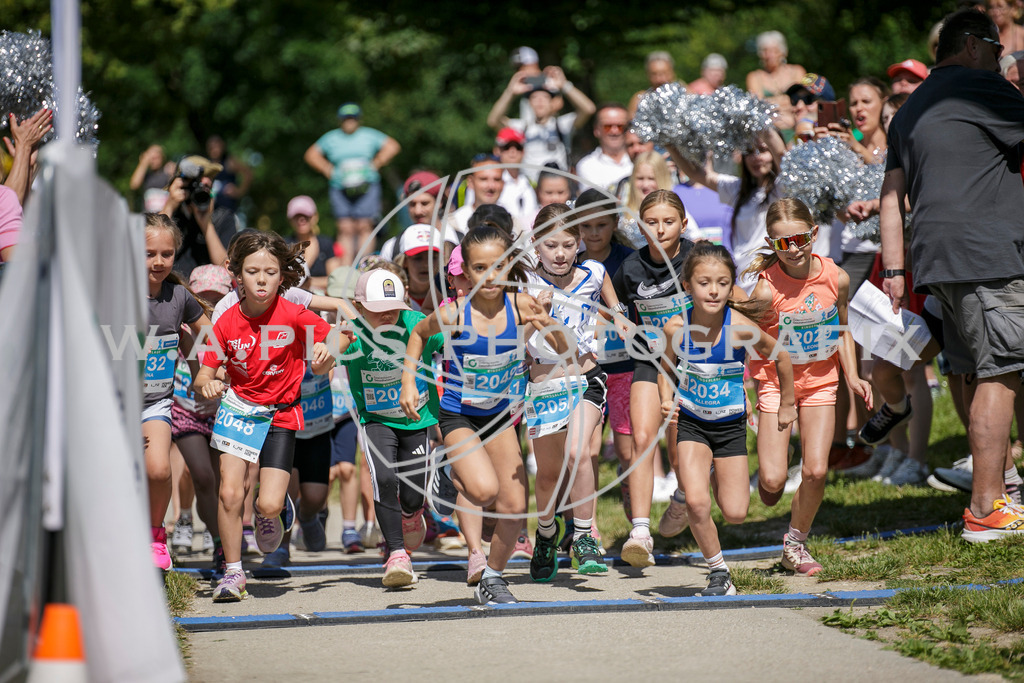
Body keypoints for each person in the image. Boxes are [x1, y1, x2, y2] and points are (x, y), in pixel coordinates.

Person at [880, 8, 1024, 542]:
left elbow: (890, 196)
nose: (1000, 58)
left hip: (936, 259)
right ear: (970, 45)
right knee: (1001, 370)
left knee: (971, 370)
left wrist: (895, 268)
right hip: (987, 253)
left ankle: (997, 491)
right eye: (995, 47)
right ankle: (987, 508)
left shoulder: (911, 107)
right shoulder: (981, 87)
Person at [400, 225, 567, 604]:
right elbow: (419, 336)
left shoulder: (522, 306)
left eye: (497, 267)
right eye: (479, 268)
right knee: (484, 490)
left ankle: (493, 577)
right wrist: (409, 382)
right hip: (458, 415)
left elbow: (559, 345)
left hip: (499, 418)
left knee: (513, 506)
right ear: (466, 273)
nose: (489, 277)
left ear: (509, 266)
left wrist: (548, 322)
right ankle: (450, 473)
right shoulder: (455, 313)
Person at [195, 231, 335, 602]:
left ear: (282, 275)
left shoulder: (294, 313)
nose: (261, 279)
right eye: (253, 271)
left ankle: (269, 511)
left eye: (270, 272)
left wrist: (326, 353)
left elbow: (336, 338)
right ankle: (233, 572)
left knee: (268, 503)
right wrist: (207, 383)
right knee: (228, 491)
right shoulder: (225, 321)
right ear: (237, 274)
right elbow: (204, 372)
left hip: (279, 415)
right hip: (238, 410)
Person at [660, 242, 796, 596]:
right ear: (687, 286)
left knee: (735, 512)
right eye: (704, 283)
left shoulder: (740, 327)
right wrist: (666, 397)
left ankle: (713, 474)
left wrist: (787, 403)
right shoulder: (677, 326)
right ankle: (718, 571)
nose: (714, 290)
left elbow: (780, 356)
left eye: (722, 282)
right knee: (696, 502)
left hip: (730, 427)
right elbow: (665, 367)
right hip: (692, 423)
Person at [747, 198, 871, 575]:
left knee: (816, 470)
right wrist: (746, 390)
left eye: (801, 239)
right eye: (783, 244)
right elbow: (745, 339)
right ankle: (767, 478)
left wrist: (852, 375)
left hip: (821, 381)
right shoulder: (766, 290)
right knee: (772, 481)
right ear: (771, 244)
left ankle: (795, 544)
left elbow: (843, 329)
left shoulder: (837, 277)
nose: (795, 250)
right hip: (774, 383)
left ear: (814, 233)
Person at [524, 203, 631, 581]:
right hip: (544, 386)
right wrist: (536, 313)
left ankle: (584, 536)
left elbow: (610, 300)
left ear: (579, 242)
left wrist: (620, 317)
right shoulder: (524, 282)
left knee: (579, 452)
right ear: (535, 245)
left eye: (568, 244)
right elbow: (516, 337)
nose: (560, 253)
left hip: (587, 379)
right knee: (549, 475)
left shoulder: (594, 272)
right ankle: (546, 532)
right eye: (550, 245)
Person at [336, 268, 444, 587]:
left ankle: (412, 514)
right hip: (376, 421)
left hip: (416, 420)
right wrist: (323, 354)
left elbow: (454, 334)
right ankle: (397, 554)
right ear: (359, 307)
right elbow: (321, 356)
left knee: (411, 496)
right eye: (379, 311)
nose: (388, 316)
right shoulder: (351, 333)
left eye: (394, 308)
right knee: (384, 479)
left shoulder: (416, 325)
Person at [612, 190, 695, 568]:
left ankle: (682, 497)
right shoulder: (630, 268)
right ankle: (640, 532)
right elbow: (607, 295)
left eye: (668, 221)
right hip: (648, 360)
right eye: (651, 222)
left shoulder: (696, 258)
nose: (659, 230)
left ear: (683, 223)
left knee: (682, 451)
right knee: (643, 440)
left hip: (695, 365)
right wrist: (616, 317)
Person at [141, 214, 212, 570]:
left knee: (158, 470)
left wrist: (207, 373)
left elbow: (209, 336)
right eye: (148, 253)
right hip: (114, 403)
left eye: (166, 254)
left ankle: (156, 536)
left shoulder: (179, 296)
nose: (158, 261)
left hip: (155, 401)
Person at [169, 264, 233, 571]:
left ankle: (222, 541)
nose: (208, 305)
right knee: (203, 476)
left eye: (215, 298)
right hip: (186, 410)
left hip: (221, 411)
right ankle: (217, 540)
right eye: (202, 298)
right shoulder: (179, 327)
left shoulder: (231, 328)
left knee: (223, 484)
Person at [668, 129, 786, 292]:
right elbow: (697, 174)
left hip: (768, 283)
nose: (756, 157)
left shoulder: (783, 188)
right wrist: (668, 143)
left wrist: (760, 123)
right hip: (739, 279)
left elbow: (782, 155)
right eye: (750, 151)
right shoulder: (738, 189)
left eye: (763, 150)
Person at [304, 103, 401, 265]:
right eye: (346, 118)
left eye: (353, 118)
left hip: (367, 185)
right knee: (345, 228)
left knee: (364, 225)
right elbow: (311, 154)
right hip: (340, 187)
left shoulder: (369, 135)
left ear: (358, 120)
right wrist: (327, 169)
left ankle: (362, 266)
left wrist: (377, 162)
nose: (350, 122)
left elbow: (393, 146)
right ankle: (346, 269)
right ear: (340, 120)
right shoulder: (331, 138)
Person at [487, 67, 596, 179]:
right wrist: (510, 92)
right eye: (534, 97)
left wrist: (564, 85)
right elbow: (493, 121)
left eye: (544, 97)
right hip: (530, 188)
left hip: (558, 187)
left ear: (552, 103)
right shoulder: (522, 127)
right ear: (529, 103)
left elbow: (589, 109)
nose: (539, 101)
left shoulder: (562, 125)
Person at [160, 155, 238, 278]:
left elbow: (228, 271)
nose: (199, 190)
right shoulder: (168, 217)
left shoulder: (223, 218)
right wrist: (169, 207)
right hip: (172, 292)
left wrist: (206, 224)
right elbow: (146, 255)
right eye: (194, 186)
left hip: (211, 295)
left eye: (206, 186)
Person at [746, 31, 806, 133]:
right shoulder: (754, 77)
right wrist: (787, 102)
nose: (769, 56)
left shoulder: (797, 71)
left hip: (797, 127)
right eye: (765, 51)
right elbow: (758, 108)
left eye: (774, 51)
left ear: (783, 52)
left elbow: (803, 101)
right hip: (770, 131)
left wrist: (770, 102)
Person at [575, 103, 633, 193]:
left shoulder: (641, 160)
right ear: (596, 130)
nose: (614, 131)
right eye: (607, 126)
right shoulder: (587, 166)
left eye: (620, 126)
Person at [284, 195, 333, 292]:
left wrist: (304, 282)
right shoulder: (284, 245)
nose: (301, 219)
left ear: (315, 217)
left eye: (306, 215)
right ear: (290, 220)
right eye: (296, 216)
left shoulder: (326, 243)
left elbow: (335, 281)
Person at [205, 135, 253, 215]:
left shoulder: (229, 162)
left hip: (229, 211)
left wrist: (239, 191)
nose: (214, 150)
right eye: (212, 147)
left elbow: (248, 174)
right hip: (211, 212)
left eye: (217, 146)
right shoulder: (206, 165)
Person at [627, 51, 680, 118]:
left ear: (673, 73)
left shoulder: (686, 97)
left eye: (663, 73)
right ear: (647, 75)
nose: (659, 79)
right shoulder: (639, 100)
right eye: (654, 74)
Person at [129, 143, 175, 212]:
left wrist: (173, 174)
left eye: (156, 158)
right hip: (148, 218)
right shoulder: (146, 175)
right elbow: (134, 185)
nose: (153, 161)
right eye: (151, 158)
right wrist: (144, 162)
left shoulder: (167, 172)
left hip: (165, 216)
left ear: (162, 157)